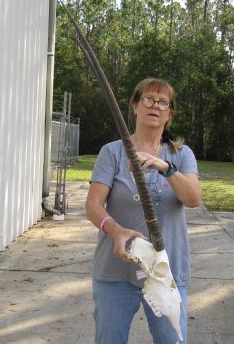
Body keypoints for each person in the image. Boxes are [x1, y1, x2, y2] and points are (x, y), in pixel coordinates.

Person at [85, 77, 202, 344]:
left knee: (172, 340)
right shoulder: (112, 153)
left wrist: (165, 167)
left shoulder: (181, 155)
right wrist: (114, 230)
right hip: (116, 270)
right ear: (135, 105)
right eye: (148, 99)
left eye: (163, 102)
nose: (155, 106)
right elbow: (93, 206)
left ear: (170, 113)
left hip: (167, 270)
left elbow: (193, 198)